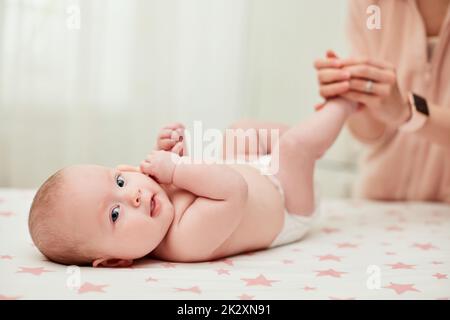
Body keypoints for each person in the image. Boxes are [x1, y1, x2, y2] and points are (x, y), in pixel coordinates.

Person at [28, 98, 357, 267]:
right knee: (292, 148)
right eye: (115, 214)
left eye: (119, 181)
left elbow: (204, 176)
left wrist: (170, 153)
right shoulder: (184, 242)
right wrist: (176, 170)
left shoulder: (157, 205)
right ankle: (343, 105)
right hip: (287, 206)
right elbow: (231, 190)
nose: (135, 197)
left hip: (251, 171)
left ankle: (318, 136)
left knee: (240, 130)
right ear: (116, 261)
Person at [314, 0, 450, 203]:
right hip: (379, 203)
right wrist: (352, 95)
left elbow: (401, 112)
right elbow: (370, 134)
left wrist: (407, 112)